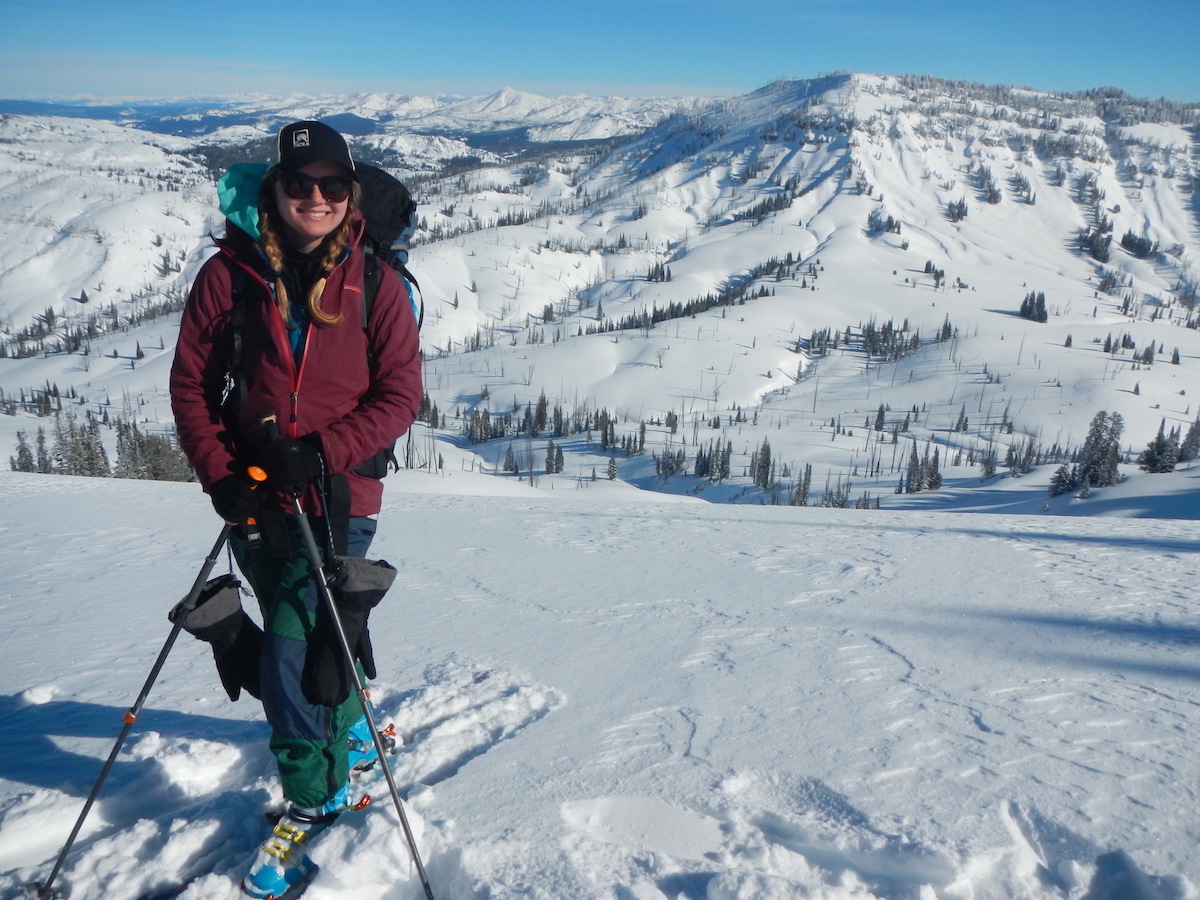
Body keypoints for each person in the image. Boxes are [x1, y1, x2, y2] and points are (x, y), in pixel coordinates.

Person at [169, 120, 422, 898]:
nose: (314, 197)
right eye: (299, 183)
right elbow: (192, 386)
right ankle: (343, 718)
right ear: (273, 190)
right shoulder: (229, 275)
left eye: (331, 186)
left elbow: (401, 395)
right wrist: (221, 476)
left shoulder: (375, 282)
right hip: (254, 494)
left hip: (342, 498)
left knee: (288, 654)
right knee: (318, 642)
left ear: (350, 199)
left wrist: (323, 452)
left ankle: (313, 798)